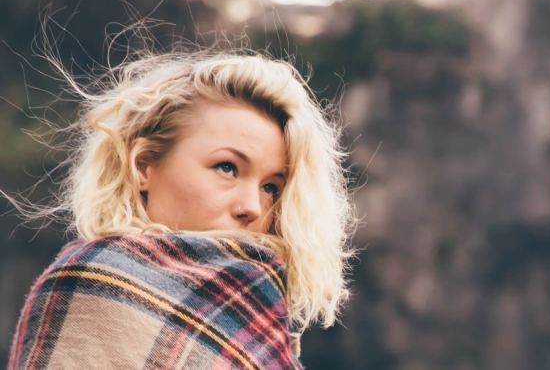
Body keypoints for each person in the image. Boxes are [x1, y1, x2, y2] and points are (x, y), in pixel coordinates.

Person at [6, 49, 356, 368]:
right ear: (143, 165)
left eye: (271, 187)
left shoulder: (259, 324)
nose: (252, 207)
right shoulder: (88, 286)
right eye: (227, 167)